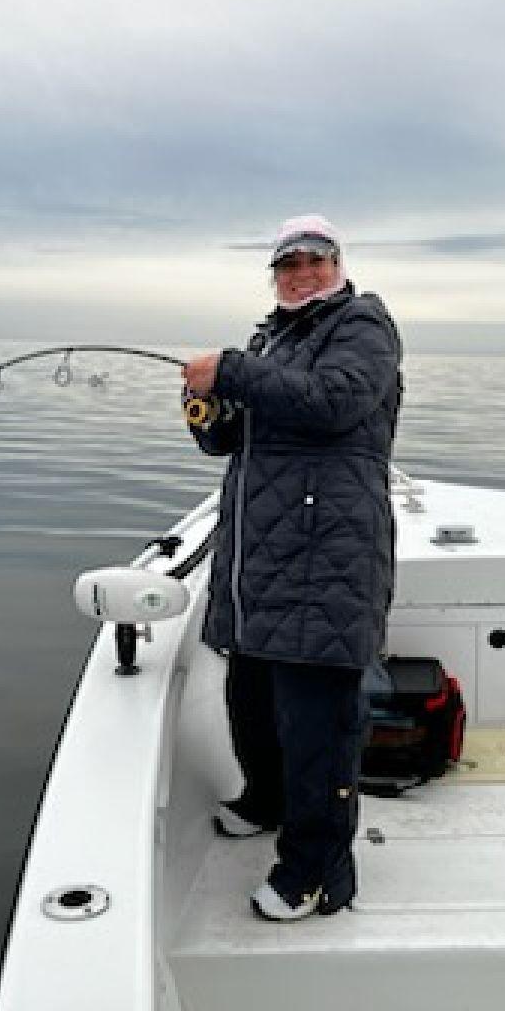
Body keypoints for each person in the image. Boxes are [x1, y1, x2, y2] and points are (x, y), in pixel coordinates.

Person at [182, 213, 403, 921]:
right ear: (274, 275)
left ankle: (316, 872)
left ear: (338, 264)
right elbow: (229, 440)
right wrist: (206, 408)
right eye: (288, 264)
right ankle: (266, 802)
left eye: (316, 259)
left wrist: (235, 371)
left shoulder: (364, 325)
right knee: (250, 703)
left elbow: (334, 403)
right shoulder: (268, 338)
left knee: (318, 729)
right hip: (257, 566)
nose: (302, 272)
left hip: (326, 563)